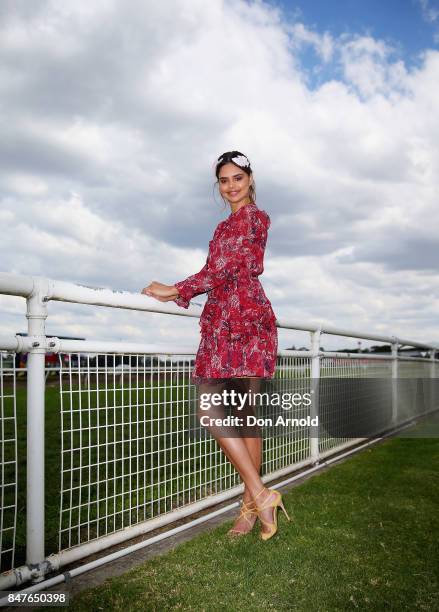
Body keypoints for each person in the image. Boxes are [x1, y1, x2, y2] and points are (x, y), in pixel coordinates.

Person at [142, 151, 289, 540]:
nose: (231, 186)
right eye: (224, 180)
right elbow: (212, 271)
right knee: (219, 412)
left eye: (237, 178)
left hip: (247, 321)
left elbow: (234, 267)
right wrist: (178, 288)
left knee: (236, 415)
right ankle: (260, 497)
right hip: (221, 320)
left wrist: (178, 288)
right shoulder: (223, 226)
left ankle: (251, 505)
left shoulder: (256, 218)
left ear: (250, 179)